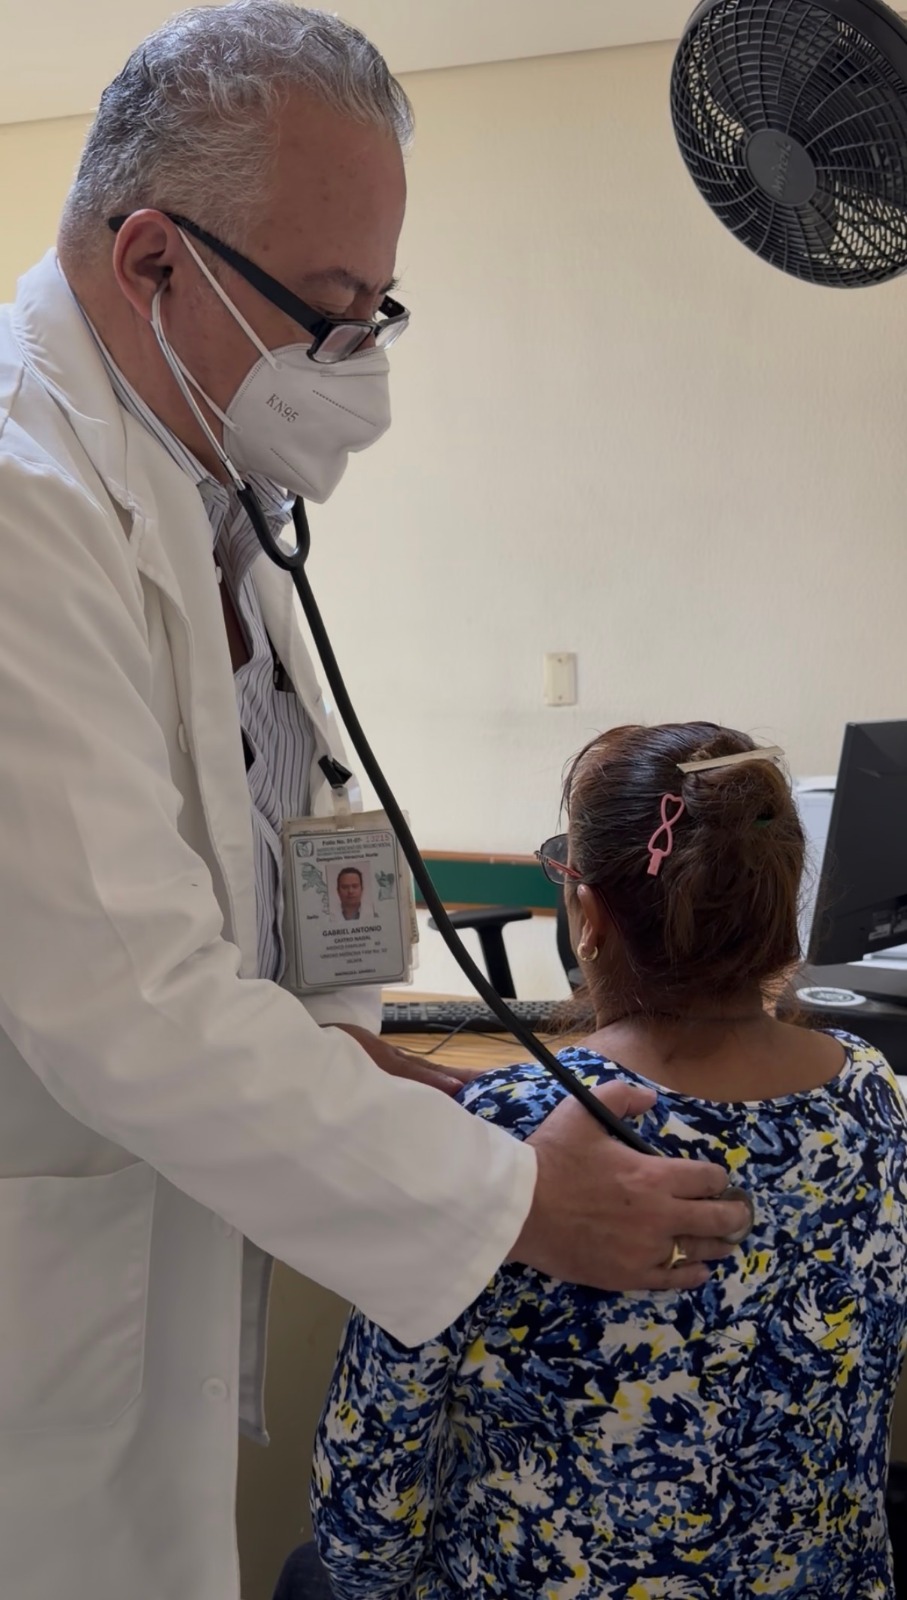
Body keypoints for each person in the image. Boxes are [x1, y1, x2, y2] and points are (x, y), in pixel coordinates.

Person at [0, 7, 750, 1596]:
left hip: (161, 1244)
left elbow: (270, 843)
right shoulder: (22, 505)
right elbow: (129, 998)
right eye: (328, 312)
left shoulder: (206, 489)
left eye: (375, 311)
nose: (357, 367)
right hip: (50, 1312)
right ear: (152, 260)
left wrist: (399, 1076)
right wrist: (511, 1197)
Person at [311, 723, 907, 1600]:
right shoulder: (870, 1094)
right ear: (779, 901)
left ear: (587, 918)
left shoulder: (510, 1136)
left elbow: (364, 1515)